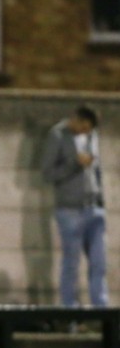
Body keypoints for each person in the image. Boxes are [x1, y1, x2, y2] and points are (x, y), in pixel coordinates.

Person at [41, 105, 108, 308]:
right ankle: (70, 311)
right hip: (70, 209)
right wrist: (74, 164)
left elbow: (96, 169)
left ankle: (102, 310)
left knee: (99, 263)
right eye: (84, 128)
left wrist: (100, 198)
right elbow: (48, 174)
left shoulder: (92, 136)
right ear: (75, 120)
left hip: (94, 207)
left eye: (90, 130)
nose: (86, 132)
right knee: (71, 263)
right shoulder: (57, 136)